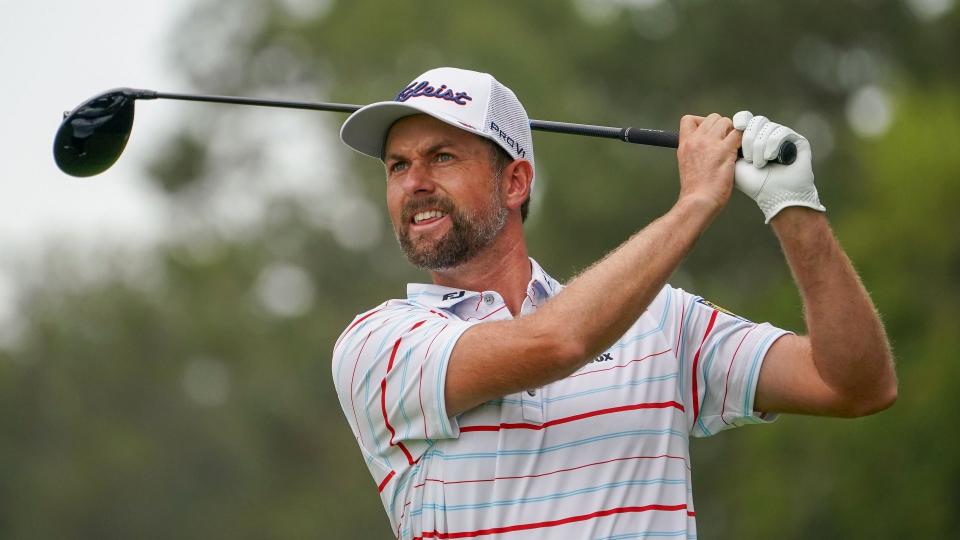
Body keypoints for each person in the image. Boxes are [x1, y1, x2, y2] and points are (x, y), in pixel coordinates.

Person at [332, 67, 896, 539]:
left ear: (515, 183)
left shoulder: (661, 321)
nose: (415, 183)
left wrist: (793, 206)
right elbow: (556, 342)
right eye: (398, 165)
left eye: (442, 157)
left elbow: (855, 385)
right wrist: (697, 201)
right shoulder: (377, 346)